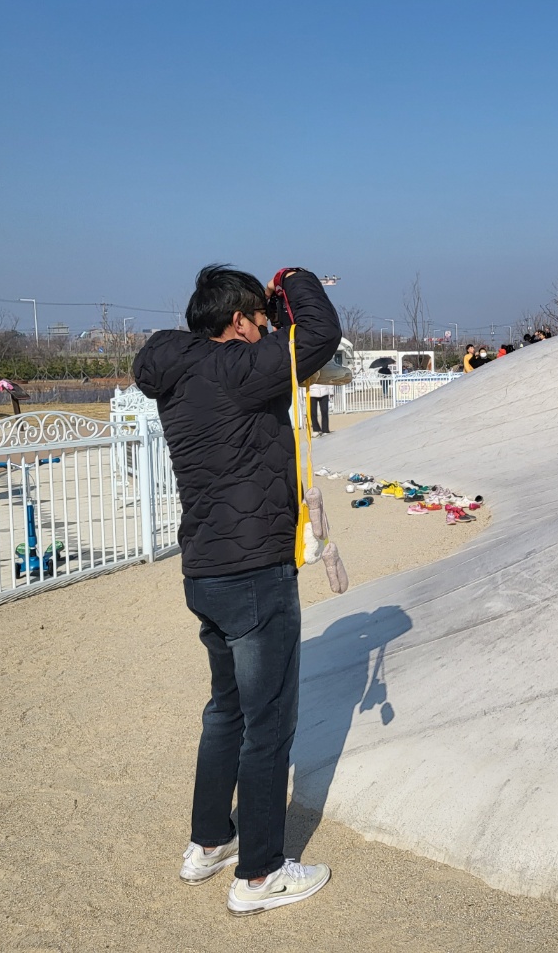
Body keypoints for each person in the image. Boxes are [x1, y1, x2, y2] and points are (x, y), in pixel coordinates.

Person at [132, 265, 340, 916]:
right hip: (256, 573)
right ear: (238, 320)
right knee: (267, 723)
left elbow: (283, 350)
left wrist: (272, 309)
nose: (264, 329)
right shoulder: (236, 371)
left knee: (226, 710)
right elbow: (320, 335)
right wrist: (296, 281)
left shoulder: (181, 371)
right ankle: (259, 875)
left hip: (208, 571)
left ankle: (209, 842)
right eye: (259, 318)